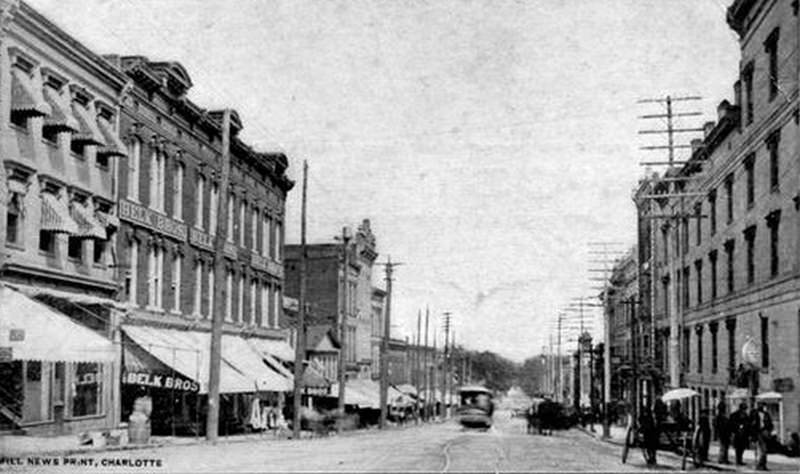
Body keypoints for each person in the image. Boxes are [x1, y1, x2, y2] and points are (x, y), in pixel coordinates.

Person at [751, 402, 773, 471]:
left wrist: (770, 430)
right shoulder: (754, 414)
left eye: (764, 406)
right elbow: (752, 425)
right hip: (758, 433)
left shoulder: (766, 414)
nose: (764, 408)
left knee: (764, 450)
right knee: (763, 450)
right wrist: (753, 436)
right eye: (763, 406)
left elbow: (770, 423)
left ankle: (763, 465)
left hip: (765, 432)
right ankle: (760, 465)